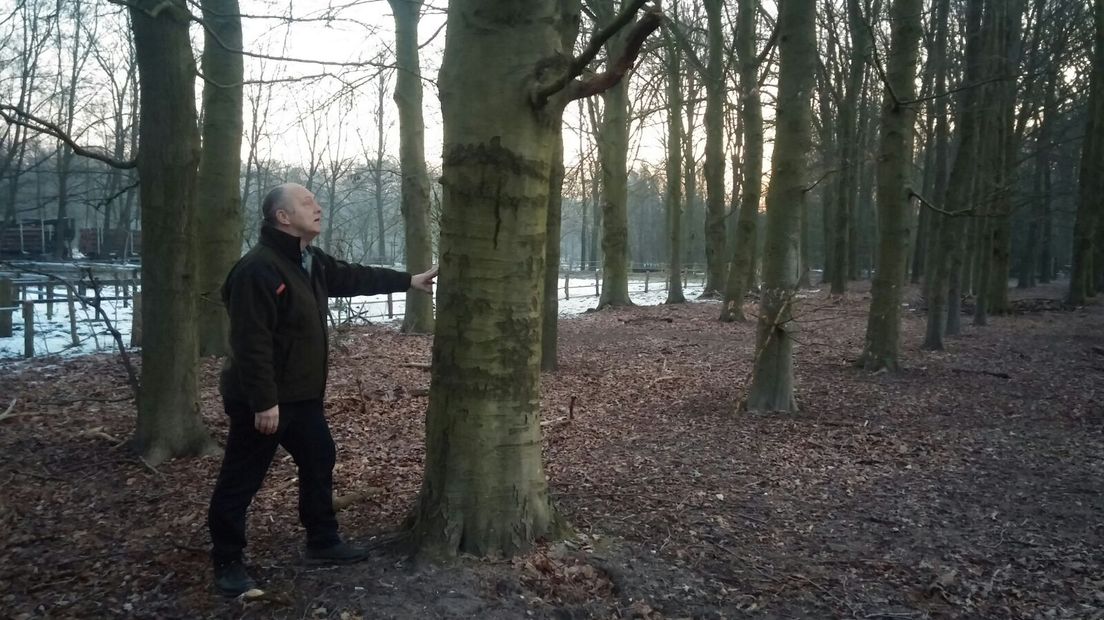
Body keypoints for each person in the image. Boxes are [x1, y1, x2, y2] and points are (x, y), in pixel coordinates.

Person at [207, 182, 437, 596]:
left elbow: (351, 275)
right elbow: (250, 343)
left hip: (301, 397)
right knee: (241, 479)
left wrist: (410, 280)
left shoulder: (307, 260)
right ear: (282, 217)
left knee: (319, 457)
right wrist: (264, 402)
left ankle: (322, 541)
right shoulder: (258, 269)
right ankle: (227, 562)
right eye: (307, 202)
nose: (318, 207)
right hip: (263, 401)